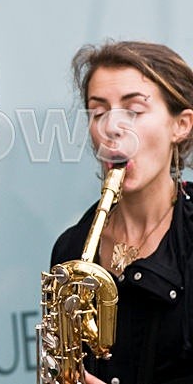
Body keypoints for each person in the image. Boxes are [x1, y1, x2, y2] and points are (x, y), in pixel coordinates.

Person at [50, 41, 193, 384]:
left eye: (134, 110)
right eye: (98, 112)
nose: (112, 127)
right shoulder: (71, 250)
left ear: (181, 125)